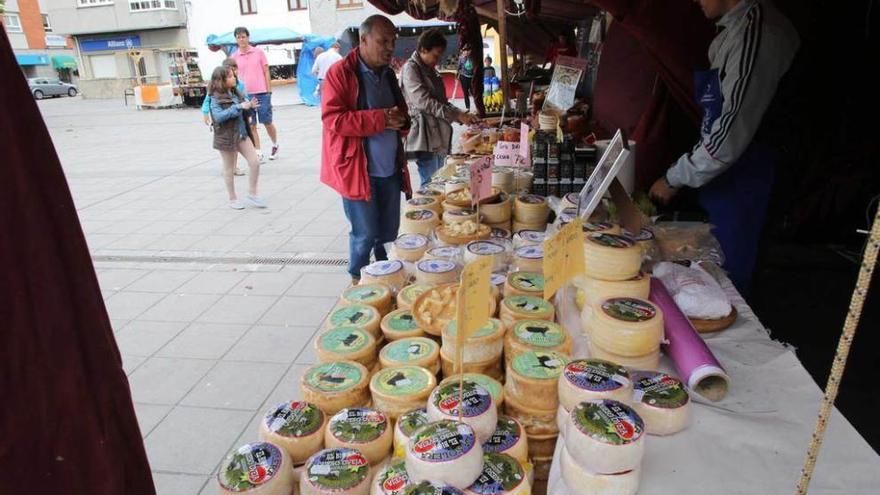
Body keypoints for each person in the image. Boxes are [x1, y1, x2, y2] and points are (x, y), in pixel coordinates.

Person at [649, 0, 800, 293]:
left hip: (747, 172)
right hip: (719, 172)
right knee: (713, 268)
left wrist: (674, 178)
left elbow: (729, 134)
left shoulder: (758, 31)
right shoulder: (732, 30)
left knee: (728, 280)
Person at [320, 15, 412, 284]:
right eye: (383, 41)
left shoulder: (387, 74)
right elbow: (333, 120)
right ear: (363, 40)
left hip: (389, 167)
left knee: (388, 230)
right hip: (357, 169)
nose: (389, 47)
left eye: (393, 41)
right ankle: (357, 282)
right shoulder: (340, 74)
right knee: (365, 233)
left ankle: (383, 275)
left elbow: (400, 112)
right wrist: (381, 118)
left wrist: (402, 120)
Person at [401, 28, 479, 186]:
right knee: (431, 183)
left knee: (440, 180)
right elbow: (423, 102)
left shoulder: (430, 69)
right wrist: (456, 115)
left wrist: (460, 113)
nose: (437, 60)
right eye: (435, 55)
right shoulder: (411, 69)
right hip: (425, 136)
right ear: (423, 49)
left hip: (437, 135)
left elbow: (442, 102)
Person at [208, 65, 267, 210]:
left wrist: (250, 106)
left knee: (255, 162)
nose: (233, 78)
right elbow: (218, 116)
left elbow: (244, 109)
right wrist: (239, 107)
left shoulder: (237, 93)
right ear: (221, 80)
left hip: (241, 133)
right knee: (229, 168)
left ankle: (252, 193)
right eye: (229, 76)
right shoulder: (215, 97)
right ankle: (233, 198)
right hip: (226, 136)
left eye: (233, 75)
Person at [231, 27, 279, 161]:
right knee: (251, 125)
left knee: (267, 122)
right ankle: (258, 151)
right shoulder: (234, 57)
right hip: (245, 95)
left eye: (243, 36)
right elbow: (232, 76)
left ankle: (275, 144)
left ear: (248, 37)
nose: (242, 39)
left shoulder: (258, 52)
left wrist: (269, 90)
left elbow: (266, 71)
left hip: (262, 93)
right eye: (239, 37)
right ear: (236, 39)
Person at [202, 57, 249, 176]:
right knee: (229, 146)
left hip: (238, 120)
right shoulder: (216, 89)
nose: (234, 73)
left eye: (235, 69)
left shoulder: (239, 84)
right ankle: (231, 168)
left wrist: (247, 109)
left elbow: (245, 98)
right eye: (230, 71)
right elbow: (208, 100)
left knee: (237, 145)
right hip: (225, 121)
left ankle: (232, 167)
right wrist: (205, 113)